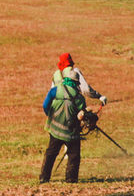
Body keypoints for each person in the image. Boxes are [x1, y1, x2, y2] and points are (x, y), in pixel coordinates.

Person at [39, 52, 94, 183]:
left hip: (55, 129)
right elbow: (82, 114)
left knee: (50, 154)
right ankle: (71, 179)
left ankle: (44, 178)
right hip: (71, 132)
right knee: (74, 155)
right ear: (76, 83)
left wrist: (51, 118)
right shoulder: (79, 97)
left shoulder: (55, 90)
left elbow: (45, 105)